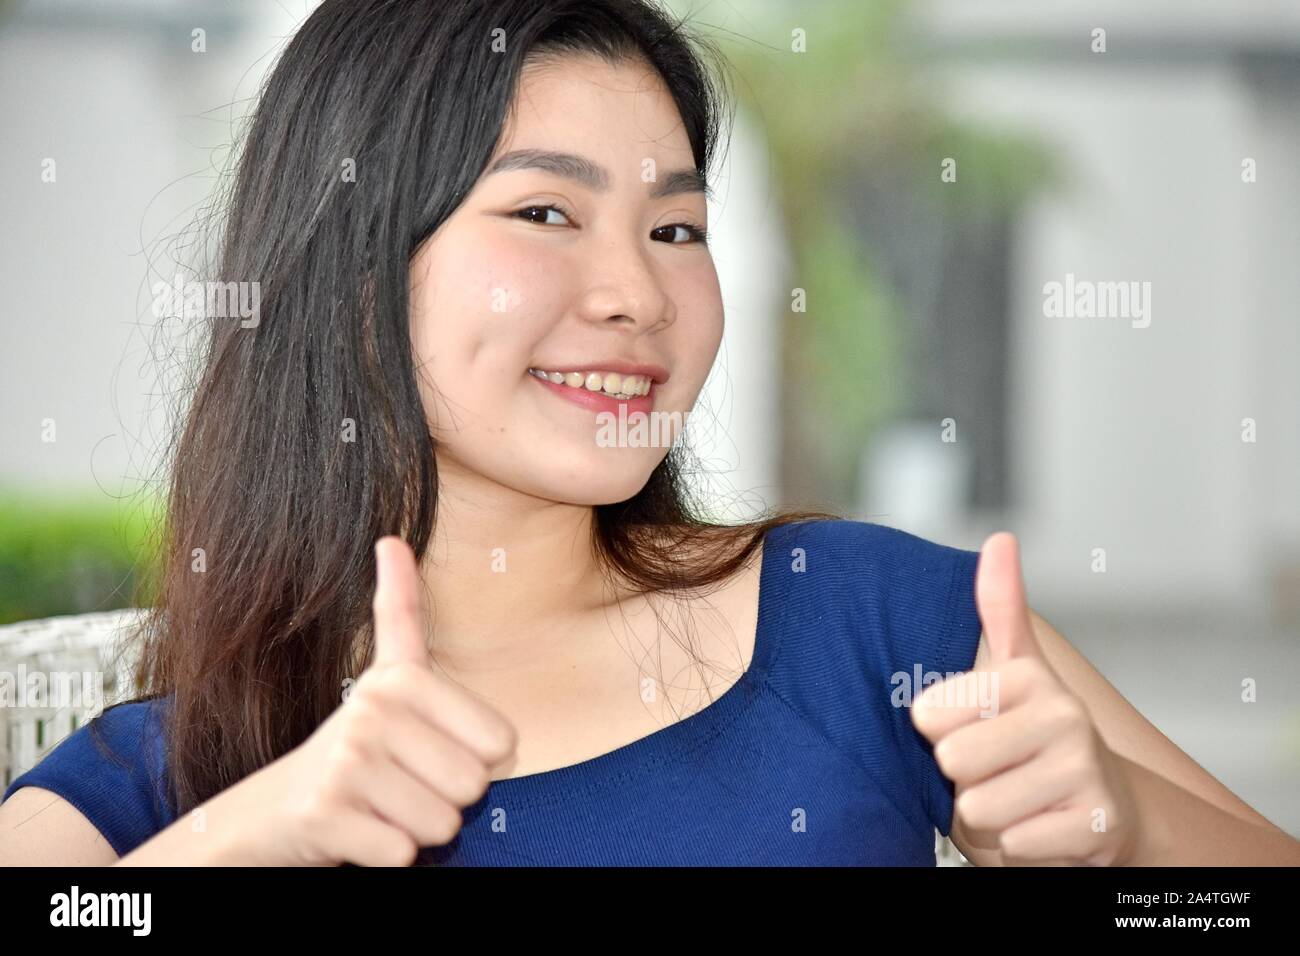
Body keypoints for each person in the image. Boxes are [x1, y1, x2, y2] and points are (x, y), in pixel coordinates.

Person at [1, 0, 1294, 867]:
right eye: (547, 216)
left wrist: (1127, 838)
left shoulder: (871, 623)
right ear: (350, 278)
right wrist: (262, 830)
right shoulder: (165, 771)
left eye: (676, 228)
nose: (637, 292)